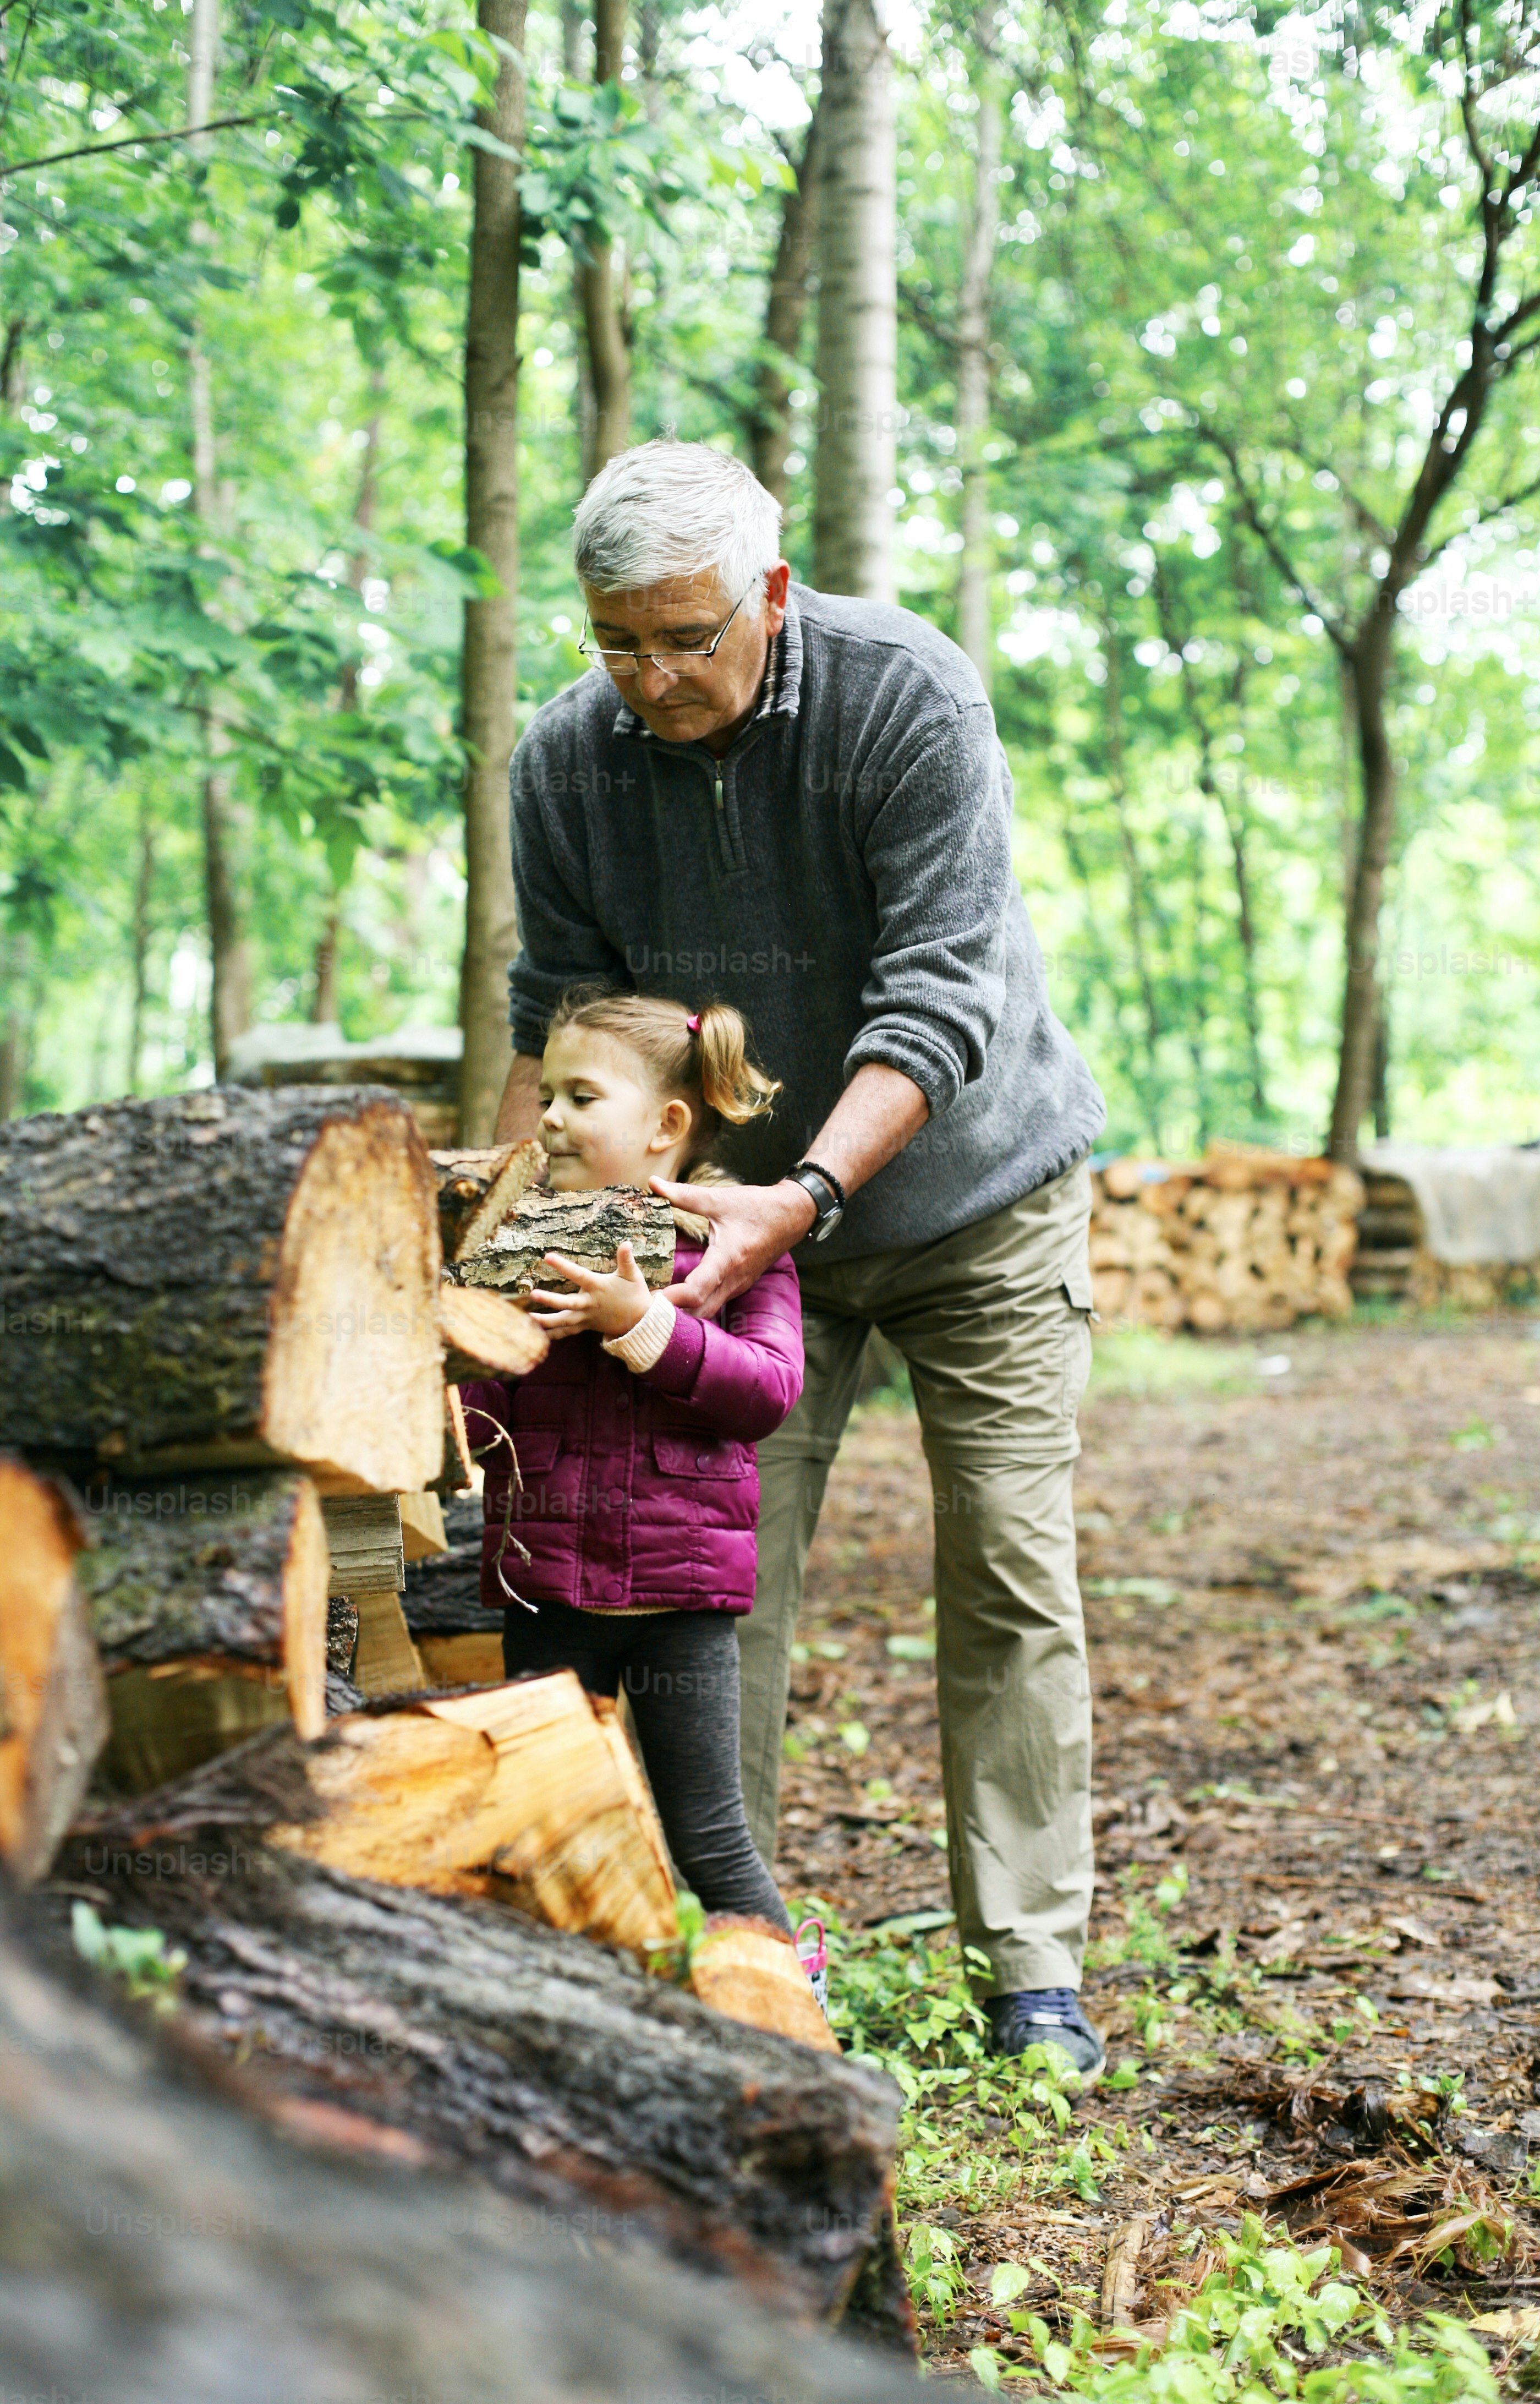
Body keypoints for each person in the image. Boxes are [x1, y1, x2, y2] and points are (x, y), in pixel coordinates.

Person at [494, 439, 1109, 2074]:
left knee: (1005, 1569)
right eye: (618, 639)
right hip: (724, 1238)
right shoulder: (566, 760)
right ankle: (730, 1944)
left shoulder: (907, 695)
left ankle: (1035, 1970)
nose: (651, 674)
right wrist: (503, 1248)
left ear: (771, 594)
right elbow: (555, 1015)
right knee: (704, 1577)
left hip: (978, 1199)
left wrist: (811, 1193)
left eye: (688, 637)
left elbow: (948, 988)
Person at [460, 986, 803, 1939]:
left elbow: (767, 1392)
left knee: (710, 1837)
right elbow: (490, 1405)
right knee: (550, 1828)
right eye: (549, 1098)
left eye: (581, 1098)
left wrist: (644, 1325)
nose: (552, 1119)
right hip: (546, 1598)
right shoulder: (521, 1247)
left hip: (679, 1608)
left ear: (667, 1125)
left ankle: (789, 2006)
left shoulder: (737, 1251)